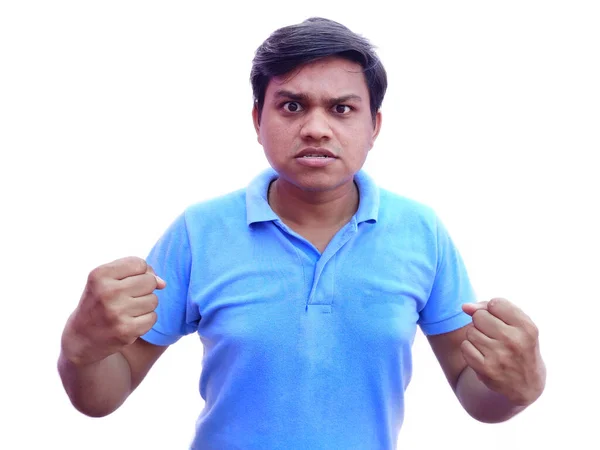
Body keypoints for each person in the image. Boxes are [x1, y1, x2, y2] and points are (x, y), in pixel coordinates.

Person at [58, 17, 546, 450]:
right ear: (258, 119)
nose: (316, 127)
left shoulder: (421, 231)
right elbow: (104, 396)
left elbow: (476, 395)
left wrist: (521, 386)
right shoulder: (198, 231)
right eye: (292, 106)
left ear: (374, 125)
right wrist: (78, 349)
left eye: (341, 109)